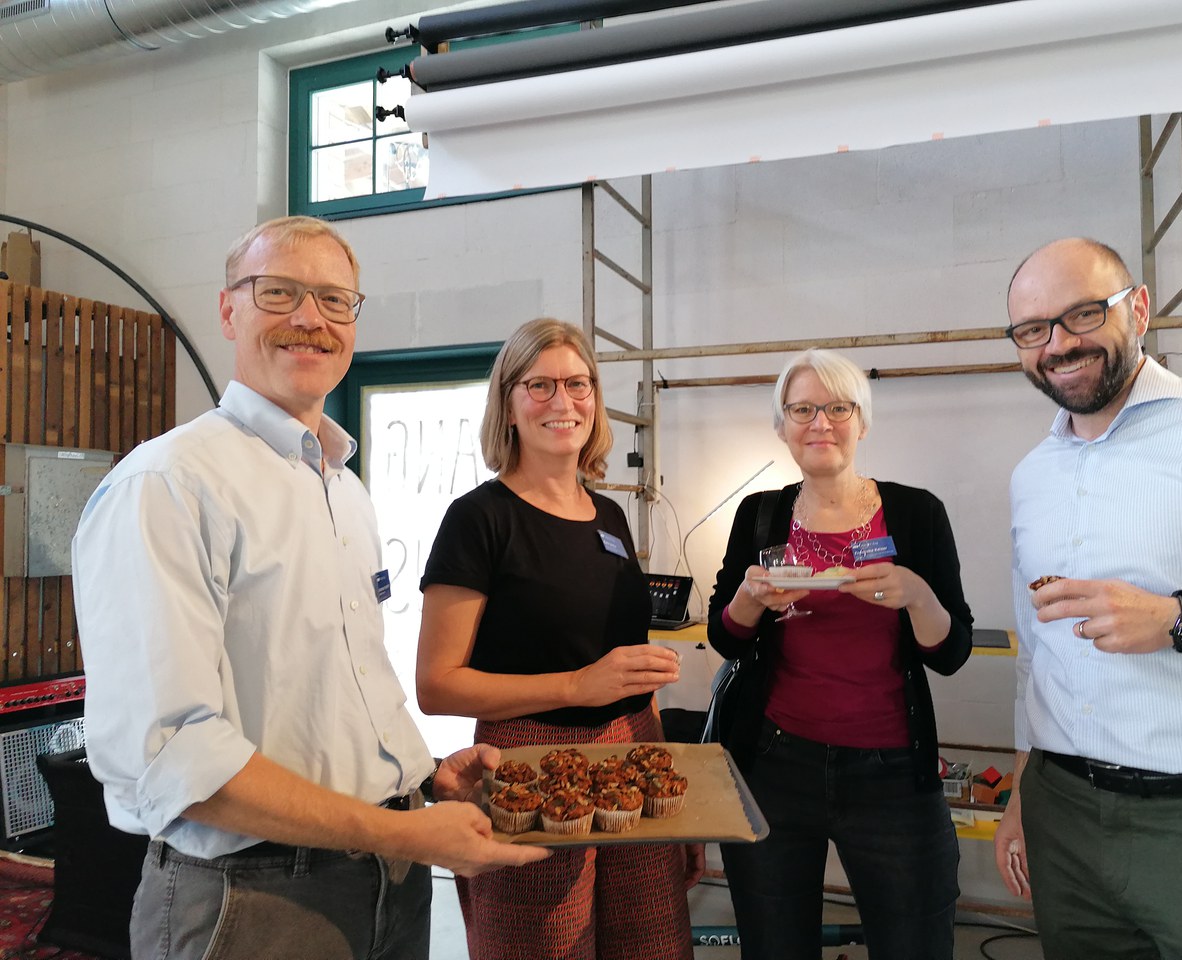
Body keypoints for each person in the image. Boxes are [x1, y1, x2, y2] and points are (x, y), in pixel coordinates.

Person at [71, 216, 548, 960]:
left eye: (333, 300)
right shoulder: (169, 485)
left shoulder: (342, 487)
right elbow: (174, 757)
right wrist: (397, 830)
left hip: (387, 880)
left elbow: (339, 683)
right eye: (279, 292)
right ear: (228, 309)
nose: (309, 318)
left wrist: (421, 776)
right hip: (252, 899)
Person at [995, 237, 1182, 959]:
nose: (1058, 344)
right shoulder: (1033, 475)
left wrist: (1181, 620)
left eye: (1083, 314)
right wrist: (1023, 797)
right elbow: (1038, 657)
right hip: (1064, 816)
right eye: (1033, 331)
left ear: (1140, 308)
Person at [416, 317, 702, 960]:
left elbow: (627, 667)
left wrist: (668, 787)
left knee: (652, 946)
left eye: (578, 384)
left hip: (634, 755)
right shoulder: (478, 519)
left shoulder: (609, 515)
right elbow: (436, 687)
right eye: (539, 385)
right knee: (545, 947)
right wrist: (577, 685)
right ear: (509, 403)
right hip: (527, 769)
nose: (562, 402)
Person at [706, 348, 973, 960]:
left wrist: (917, 595)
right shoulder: (760, 514)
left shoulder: (916, 512)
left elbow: (951, 651)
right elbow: (726, 638)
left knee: (915, 940)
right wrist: (750, 598)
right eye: (802, 409)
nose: (819, 422)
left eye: (837, 407)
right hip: (774, 765)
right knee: (774, 944)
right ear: (781, 425)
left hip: (893, 776)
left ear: (862, 420)